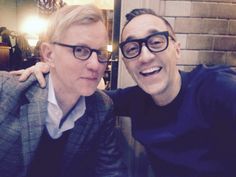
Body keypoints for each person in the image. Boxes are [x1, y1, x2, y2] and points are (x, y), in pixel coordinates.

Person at [13, 8, 236, 177]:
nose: (145, 56)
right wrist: (51, 69)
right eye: (132, 49)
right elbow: (85, 93)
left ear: (176, 48)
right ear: (126, 63)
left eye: (156, 42)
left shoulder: (217, 88)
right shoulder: (133, 100)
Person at [0, 5, 126, 177]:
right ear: (49, 54)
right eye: (80, 50)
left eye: (101, 52)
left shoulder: (101, 107)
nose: (96, 65)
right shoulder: (6, 90)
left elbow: (111, 170)